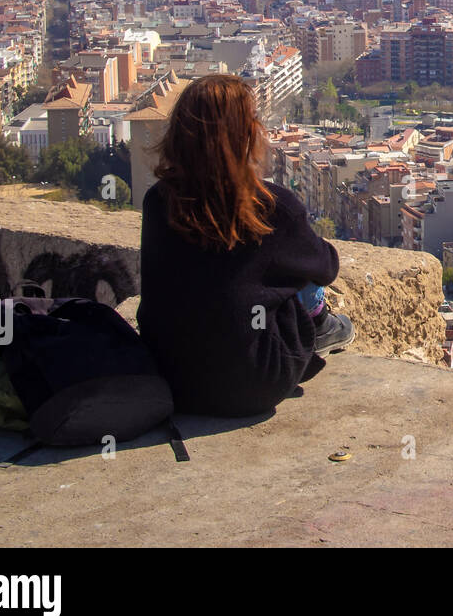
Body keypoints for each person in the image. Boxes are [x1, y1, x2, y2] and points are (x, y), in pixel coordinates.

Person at [137, 74, 353, 417]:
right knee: (294, 267)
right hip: (253, 382)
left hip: (170, 377)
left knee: (268, 264)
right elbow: (326, 268)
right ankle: (322, 326)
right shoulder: (271, 206)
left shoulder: (158, 201)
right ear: (245, 135)